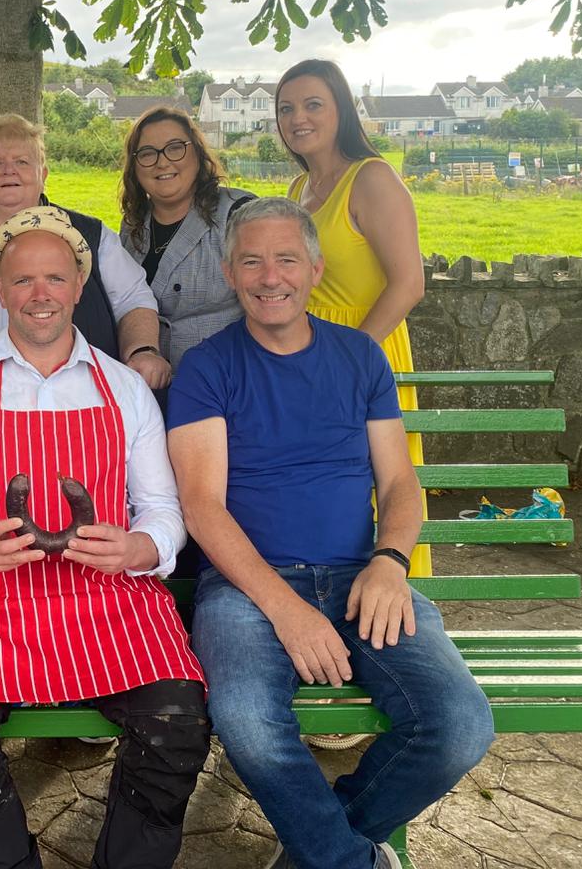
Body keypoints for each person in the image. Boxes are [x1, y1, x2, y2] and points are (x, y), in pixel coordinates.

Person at [168, 198, 494, 869]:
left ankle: (318, 854)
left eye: (286, 259)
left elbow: (401, 485)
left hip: (360, 575)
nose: (269, 277)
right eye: (251, 261)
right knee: (250, 727)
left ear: (314, 269)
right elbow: (201, 507)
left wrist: (390, 562)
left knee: (459, 725)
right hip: (244, 588)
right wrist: (286, 611)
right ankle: (355, 861)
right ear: (231, 273)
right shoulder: (207, 368)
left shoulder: (359, 359)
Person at [0, 205, 209, 869]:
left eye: (54, 278)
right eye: (22, 280)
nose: (39, 294)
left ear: (78, 286)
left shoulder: (124, 388)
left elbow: (162, 508)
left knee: (177, 726)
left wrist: (139, 549)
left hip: (110, 598)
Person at [276, 59, 431, 580]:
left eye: (313, 104)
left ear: (340, 108)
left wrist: (350, 359)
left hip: (364, 351)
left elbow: (408, 283)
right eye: (286, 108)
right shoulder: (299, 191)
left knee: (373, 481)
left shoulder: (372, 178)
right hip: (304, 354)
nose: (299, 118)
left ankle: (389, 601)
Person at [0, 113, 169, 390]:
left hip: (76, 404)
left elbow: (134, 300)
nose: (9, 171)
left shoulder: (91, 236)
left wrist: (142, 351)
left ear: (43, 174)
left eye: (22, 162)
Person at [119, 105, 257, 369]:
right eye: (147, 153)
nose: (162, 161)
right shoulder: (132, 226)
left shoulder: (238, 213)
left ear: (197, 151)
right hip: (146, 381)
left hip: (227, 378)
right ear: (134, 167)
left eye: (174, 147)